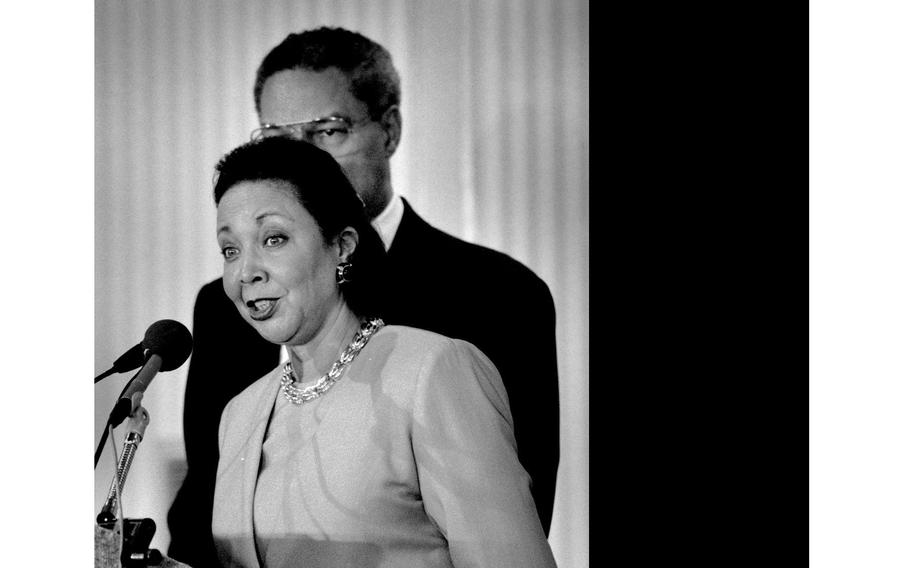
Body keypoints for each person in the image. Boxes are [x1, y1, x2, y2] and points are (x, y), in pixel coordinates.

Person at [168, 27, 559, 567]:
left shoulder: (498, 296)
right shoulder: (223, 314)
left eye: (327, 131)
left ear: (389, 130)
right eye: (275, 136)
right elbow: (203, 516)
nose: (297, 157)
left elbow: (513, 530)